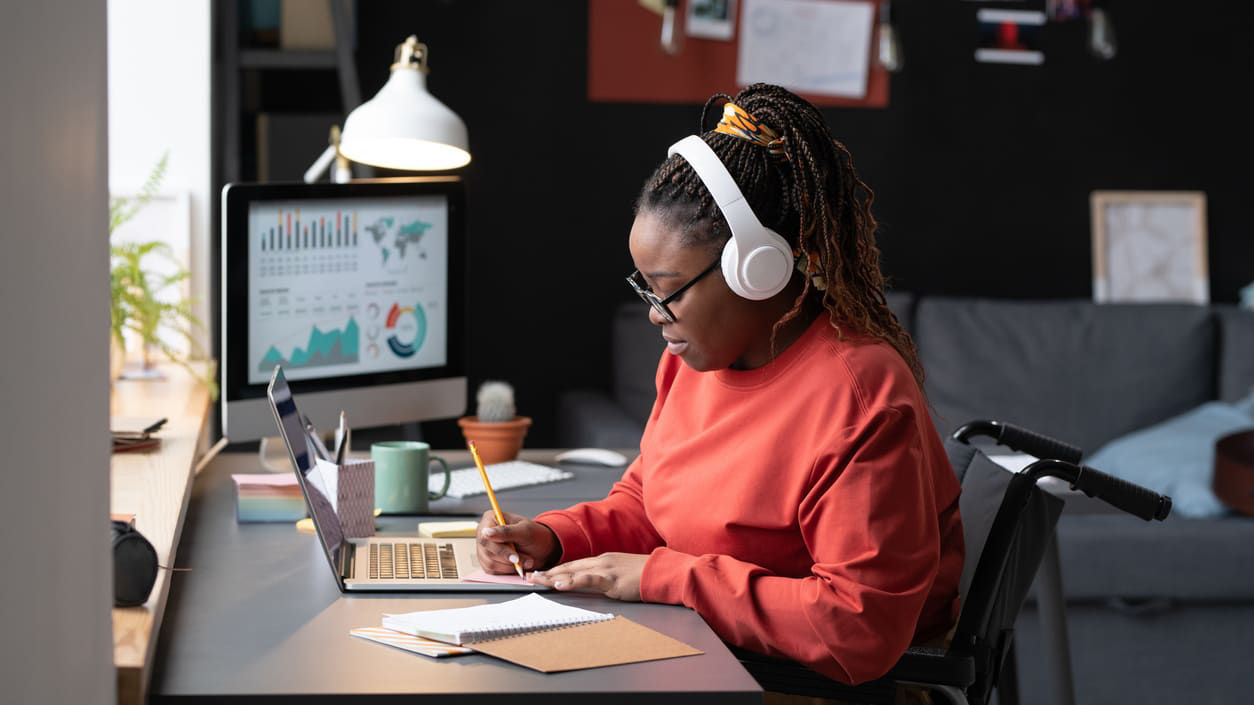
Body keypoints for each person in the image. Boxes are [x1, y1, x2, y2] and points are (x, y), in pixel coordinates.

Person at [476, 83, 964, 693]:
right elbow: (648, 503)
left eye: (670, 289)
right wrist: (555, 537)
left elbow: (857, 629)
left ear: (758, 268)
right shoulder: (689, 363)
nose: (656, 313)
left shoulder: (859, 394)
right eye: (645, 289)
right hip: (707, 652)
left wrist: (664, 578)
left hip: (806, 682)